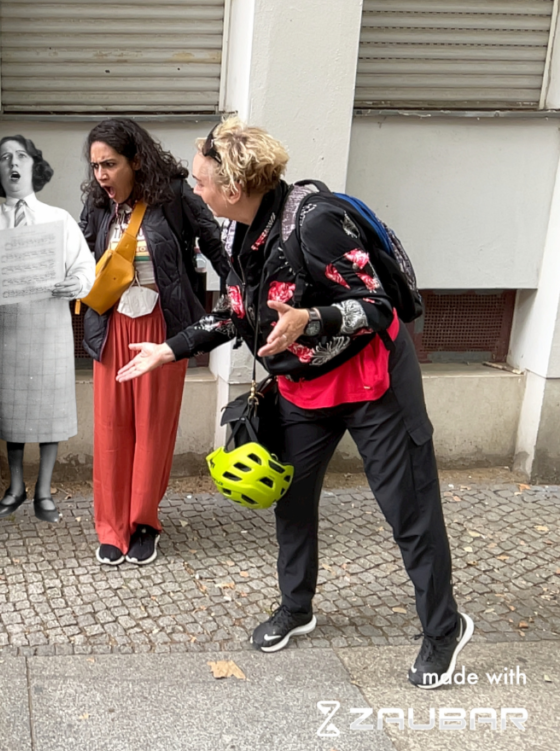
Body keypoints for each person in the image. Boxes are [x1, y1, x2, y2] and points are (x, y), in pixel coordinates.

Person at [116, 116, 473, 689]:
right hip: (303, 389)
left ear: (233, 187)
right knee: (292, 497)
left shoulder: (315, 223)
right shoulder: (238, 230)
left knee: (409, 511)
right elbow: (236, 311)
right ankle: (297, 606)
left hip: (371, 384)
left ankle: (443, 628)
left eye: (202, 181)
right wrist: (170, 348)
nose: (195, 188)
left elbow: (377, 306)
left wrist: (314, 317)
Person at [79, 118, 225, 566]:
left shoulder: (175, 195)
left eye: (110, 164)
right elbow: (78, 255)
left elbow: (214, 242)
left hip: (163, 328)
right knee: (111, 428)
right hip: (112, 326)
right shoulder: (98, 205)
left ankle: (144, 522)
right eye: (96, 166)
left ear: (136, 161)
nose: (101, 175)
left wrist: (243, 290)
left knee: (154, 428)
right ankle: (111, 525)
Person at [0, 135, 94, 522]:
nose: (13, 163)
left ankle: (44, 491)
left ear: (33, 166)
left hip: (47, 321)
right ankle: (15, 488)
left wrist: (74, 285)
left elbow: (84, 268)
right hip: (2, 323)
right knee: (10, 407)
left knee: (47, 404)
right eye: (4, 157)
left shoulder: (58, 218)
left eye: (20, 155)